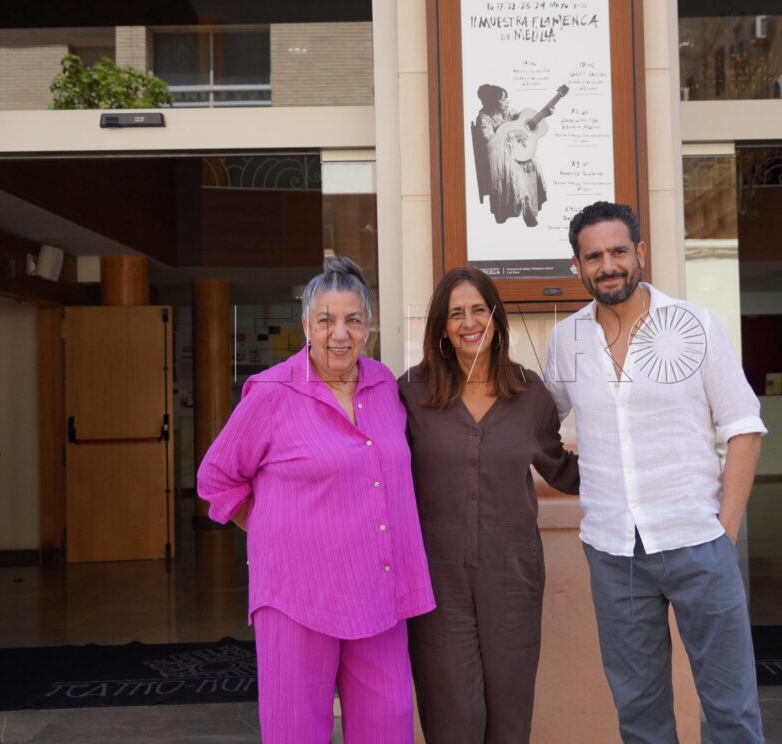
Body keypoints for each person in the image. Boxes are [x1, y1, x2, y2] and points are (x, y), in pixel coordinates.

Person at [544, 202, 767, 744]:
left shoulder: (694, 325)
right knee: (640, 715)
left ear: (640, 252)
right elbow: (538, 422)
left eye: (618, 251)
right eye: (593, 256)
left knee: (731, 708)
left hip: (698, 540)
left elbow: (744, 427)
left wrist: (725, 531)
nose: (608, 265)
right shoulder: (567, 340)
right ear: (577, 265)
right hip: (613, 550)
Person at [197, 256, 434, 744]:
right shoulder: (272, 392)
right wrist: (274, 528)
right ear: (306, 325)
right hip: (296, 596)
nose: (339, 334)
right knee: (295, 731)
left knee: (389, 725)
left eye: (352, 320)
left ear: (368, 326)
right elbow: (216, 477)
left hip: (378, 591)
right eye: (326, 320)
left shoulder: (384, 385)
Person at [398, 266, 578, 744]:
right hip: (435, 584)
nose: (469, 322)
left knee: (509, 720)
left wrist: (635, 463)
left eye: (478, 309)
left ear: (496, 318)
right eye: (456, 313)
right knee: (452, 719)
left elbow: (561, 468)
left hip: (512, 579)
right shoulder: (410, 391)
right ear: (442, 327)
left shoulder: (529, 392)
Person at [471, 83, 547, 226]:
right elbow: (490, 141)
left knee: (533, 161)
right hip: (498, 156)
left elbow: (526, 124)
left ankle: (533, 202)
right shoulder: (484, 118)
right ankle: (526, 207)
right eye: (504, 99)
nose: (508, 102)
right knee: (514, 171)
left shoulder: (510, 112)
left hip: (515, 150)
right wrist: (511, 135)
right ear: (494, 101)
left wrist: (545, 114)